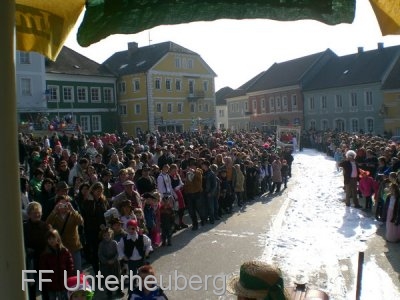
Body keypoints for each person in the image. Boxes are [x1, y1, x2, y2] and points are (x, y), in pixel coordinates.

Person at [38, 228, 75, 300]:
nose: (51, 240)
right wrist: (47, 281)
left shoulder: (64, 251)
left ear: (57, 238)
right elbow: (43, 270)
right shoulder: (45, 255)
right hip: (52, 284)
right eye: (49, 239)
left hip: (64, 282)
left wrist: (68, 276)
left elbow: (70, 264)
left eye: (53, 238)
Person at [117, 220, 152, 286]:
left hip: (141, 260)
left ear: (136, 228)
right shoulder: (124, 239)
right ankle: (132, 291)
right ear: (126, 229)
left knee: (143, 276)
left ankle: (144, 289)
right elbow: (119, 248)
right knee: (132, 277)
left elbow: (149, 242)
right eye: (129, 228)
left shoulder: (142, 237)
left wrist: (147, 252)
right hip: (131, 261)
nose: (131, 230)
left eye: (133, 228)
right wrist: (123, 256)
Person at [98, 226, 124, 298]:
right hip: (105, 264)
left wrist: (114, 259)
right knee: (108, 278)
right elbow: (100, 254)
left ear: (111, 234)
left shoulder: (114, 243)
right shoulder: (101, 244)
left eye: (108, 235)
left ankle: (119, 290)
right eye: (104, 235)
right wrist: (106, 261)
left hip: (115, 263)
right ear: (102, 236)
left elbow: (118, 252)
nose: (106, 237)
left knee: (117, 277)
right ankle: (109, 293)